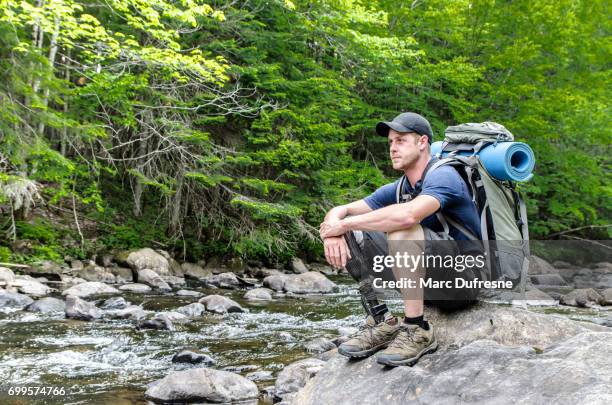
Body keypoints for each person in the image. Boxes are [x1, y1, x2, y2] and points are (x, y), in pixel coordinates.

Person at [319, 112, 484, 367]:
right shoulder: (399, 187)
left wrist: (341, 225)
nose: (393, 148)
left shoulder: (445, 176)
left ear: (422, 142)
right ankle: (381, 320)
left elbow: (407, 217)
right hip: (432, 282)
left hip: (465, 281)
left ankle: (417, 329)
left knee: (399, 226)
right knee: (351, 230)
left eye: (401, 140)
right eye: (390, 142)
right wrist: (336, 230)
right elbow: (342, 210)